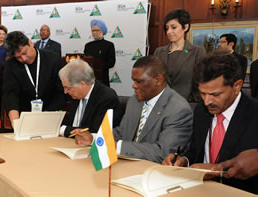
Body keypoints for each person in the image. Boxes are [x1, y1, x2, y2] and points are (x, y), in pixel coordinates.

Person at [162, 53, 258, 194]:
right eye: (203, 93)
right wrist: (184, 160)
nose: (207, 102)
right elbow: (195, 149)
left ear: (237, 86)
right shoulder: (201, 111)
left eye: (215, 94)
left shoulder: (254, 113)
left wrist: (212, 170)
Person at [71, 55, 193, 164]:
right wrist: (94, 139)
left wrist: (117, 147)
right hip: (126, 166)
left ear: (158, 80)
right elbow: (121, 132)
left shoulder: (178, 109)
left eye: (139, 81)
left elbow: (163, 152)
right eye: (133, 80)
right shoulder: (134, 101)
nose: (134, 85)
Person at [3, 31, 66, 127]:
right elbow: (10, 95)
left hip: (51, 116)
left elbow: (61, 92)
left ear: (30, 43)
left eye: (25, 52)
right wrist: (16, 124)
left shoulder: (54, 60)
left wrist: (46, 117)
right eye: (18, 57)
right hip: (25, 119)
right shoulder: (11, 65)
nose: (24, 59)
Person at [58, 58, 120, 137]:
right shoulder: (76, 95)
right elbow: (71, 123)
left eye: (68, 88)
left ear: (82, 84)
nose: (65, 92)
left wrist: (63, 130)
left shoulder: (106, 97)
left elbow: (95, 132)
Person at [154, 9, 206, 101]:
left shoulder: (197, 52)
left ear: (185, 27)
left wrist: (192, 102)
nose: (169, 32)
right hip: (161, 105)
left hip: (186, 105)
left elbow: (202, 82)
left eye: (173, 27)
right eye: (167, 28)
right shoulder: (159, 52)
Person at [84, 19, 116, 87]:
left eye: (97, 30)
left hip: (102, 79)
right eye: (93, 30)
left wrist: (98, 66)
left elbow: (111, 62)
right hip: (89, 79)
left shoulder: (109, 45)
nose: (94, 32)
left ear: (102, 31)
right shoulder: (88, 45)